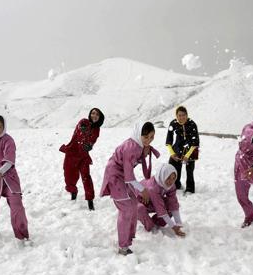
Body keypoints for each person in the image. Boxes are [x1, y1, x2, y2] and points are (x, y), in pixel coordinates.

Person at [100, 121, 160, 255]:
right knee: (126, 209)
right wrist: (142, 189)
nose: (149, 141)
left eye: (151, 137)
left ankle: (129, 236)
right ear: (139, 135)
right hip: (116, 177)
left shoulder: (138, 145)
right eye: (146, 137)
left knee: (133, 204)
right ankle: (123, 247)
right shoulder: (131, 147)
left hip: (123, 177)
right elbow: (129, 176)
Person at [59, 108, 105, 210]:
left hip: (83, 156)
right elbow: (79, 131)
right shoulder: (84, 121)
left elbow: (92, 140)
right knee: (69, 177)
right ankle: (73, 192)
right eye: (93, 113)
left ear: (100, 117)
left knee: (86, 178)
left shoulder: (97, 129)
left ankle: (90, 201)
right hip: (72, 153)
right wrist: (83, 131)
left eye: (97, 114)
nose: (94, 115)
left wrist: (90, 145)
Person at [136, 163, 186, 237]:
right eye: (168, 178)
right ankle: (150, 226)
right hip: (138, 201)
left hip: (152, 201)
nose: (171, 181)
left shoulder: (171, 186)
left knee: (171, 206)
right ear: (163, 175)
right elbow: (160, 207)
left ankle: (156, 222)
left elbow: (173, 203)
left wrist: (178, 223)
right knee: (140, 209)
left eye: (173, 178)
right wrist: (173, 226)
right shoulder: (152, 187)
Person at [165, 106, 200, 193]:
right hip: (178, 147)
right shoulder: (173, 123)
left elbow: (195, 142)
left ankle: (190, 189)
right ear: (176, 116)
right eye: (179, 115)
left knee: (190, 170)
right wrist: (172, 153)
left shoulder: (192, 124)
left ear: (187, 115)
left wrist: (188, 155)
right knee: (172, 167)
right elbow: (169, 140)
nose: (182, 117)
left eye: (184, 115)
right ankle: (175, 185)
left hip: (191, 149)